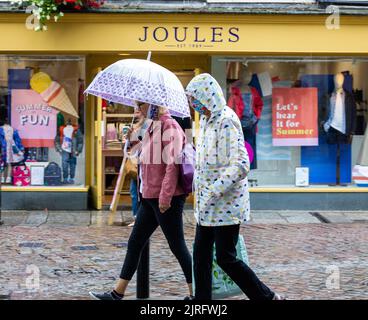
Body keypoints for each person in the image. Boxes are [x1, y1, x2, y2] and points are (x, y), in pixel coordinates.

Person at [186, 73, 284, 300]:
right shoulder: (207, 120)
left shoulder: (226, 120)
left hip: (226, 206)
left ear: (206, 96)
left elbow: (240, 164)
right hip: (208, 206)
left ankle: (267, 297)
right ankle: (202, 302)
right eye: (191, 100)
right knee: (200, 255)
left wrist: (213, 189)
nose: (193, 104)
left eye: (194, 99)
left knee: (226, 257)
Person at [89, 103, 193, 300]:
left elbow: (173, 163)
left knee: (177, 245)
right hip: (149, 197)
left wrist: (165, 196)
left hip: (165, 198)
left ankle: (196, 292)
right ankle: (117, 293)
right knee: (135, 242)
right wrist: (129, 138)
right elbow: (136, 155)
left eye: (140, 105)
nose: (137, 108)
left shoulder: (169, 126)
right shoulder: (151, 126)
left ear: (153, 105)